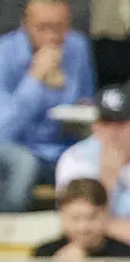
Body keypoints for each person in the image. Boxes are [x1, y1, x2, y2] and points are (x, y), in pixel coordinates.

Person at [0, 0, 94, 208]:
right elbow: (2, 129)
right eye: (43, 27)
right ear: (25, 25)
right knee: (22, 162)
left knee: (94, 159)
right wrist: (34, 79)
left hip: (52, 149)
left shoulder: (77, 48)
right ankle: (6, 237)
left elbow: (85, 102)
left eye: (59, 28)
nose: (51, 36)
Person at [50, 79, 130, 221]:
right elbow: (80, 226)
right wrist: (107, 182)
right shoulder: (76, 159)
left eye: (121, 124)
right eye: (106, 123)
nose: (113, 132)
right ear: (95, 126)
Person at [38, 175, 130, 255]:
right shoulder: (45, 255)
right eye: (76, 218)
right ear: (63, 217)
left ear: (105, 214)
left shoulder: (125, 255)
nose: (83, 227)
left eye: (92, 218)